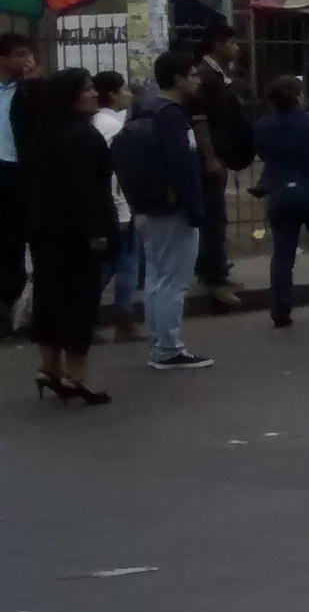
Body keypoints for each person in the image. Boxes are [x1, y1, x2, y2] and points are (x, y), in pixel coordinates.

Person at [21, 67, 115, 404]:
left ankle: (49, 366)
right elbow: (86, 189)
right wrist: (98, 232)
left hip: (44, 229)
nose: (94, 94)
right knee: (79, 302)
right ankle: (78, 374)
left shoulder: (43, 132)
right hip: (77, 233)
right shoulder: (82, 135)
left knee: (49, 296)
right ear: (71, 97)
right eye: (87, 90)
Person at [125, 51, 213, 369]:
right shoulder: (171, 114)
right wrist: (195, 206)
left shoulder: (141, 109)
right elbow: (182, 164)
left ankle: (159, 343)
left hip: (146, 204)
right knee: (174, 280)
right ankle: (168, 348)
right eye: (192, 74)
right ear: (177, 79)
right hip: (173, 207)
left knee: (156, 278)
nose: (197, 79)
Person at [253, 74, 309, 328]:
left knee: (282, 254)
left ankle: (280, 309)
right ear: (299, 96)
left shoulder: (264, 126)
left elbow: (263, 152)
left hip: (281, 193)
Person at [187, 19, 253, 307]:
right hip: (210, 159)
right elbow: (199, 119)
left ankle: (218, 271)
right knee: (213, 218)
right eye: (231, 43)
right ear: (217, 44)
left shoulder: (218, 74)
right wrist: (210, 157)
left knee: (219, 216)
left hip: (223, 154)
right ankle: (212, 277)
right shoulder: (205, 75)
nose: (236, 48)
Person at [88, 68, 140, 343]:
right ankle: (123, 319)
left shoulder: (94, 123)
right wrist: (124, 206)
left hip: (106, 206)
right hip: (119, 207)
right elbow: (116, 173)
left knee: (109, 265)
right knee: (124, 264)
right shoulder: (115, 127)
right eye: (124, 90)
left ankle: (95, 317)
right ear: (114, 94)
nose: (129, 95)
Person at [0, 31, 33, 340]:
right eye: (20, 54)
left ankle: (13, 302)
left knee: (14, 237)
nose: (27, 60)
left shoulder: (28, 92)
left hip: (16, 168)